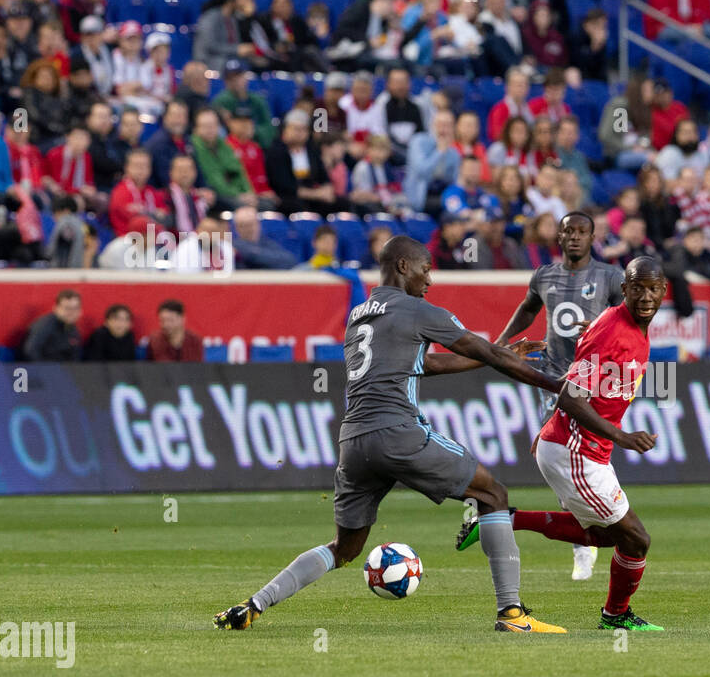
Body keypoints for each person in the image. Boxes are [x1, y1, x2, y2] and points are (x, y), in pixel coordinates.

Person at [215, 235, 604, 635]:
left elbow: (426, 364)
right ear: (403, 266)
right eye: (426, 268)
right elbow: (488, 355)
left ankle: (254, 604)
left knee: (345, 548)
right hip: (398, 431)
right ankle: (512, 614)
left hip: (353, 442)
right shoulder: (417, 310)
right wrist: (555, 384)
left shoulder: (360, 314)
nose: (429, 278)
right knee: (493, 496)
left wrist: (499, 349)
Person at [456, 256, 665, 632]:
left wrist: (592, 335)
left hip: (583, 449)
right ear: (625, 290)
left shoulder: (624, 326)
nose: (646, 296)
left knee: (603, 536)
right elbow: (569, 398)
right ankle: (615, 616)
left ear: (664, 292)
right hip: (575, 451)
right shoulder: (613, 330)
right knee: (636, 539)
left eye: (653, 288)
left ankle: (501, 518)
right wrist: (623, 437)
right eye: (638, 288)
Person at [471, 212, 625, 581]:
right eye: (568, 231)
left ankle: (599, 520)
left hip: (596, 379)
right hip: (555, 379)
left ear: (592, 237)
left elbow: (631, 316)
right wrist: (500, 345)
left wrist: (605, 324)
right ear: (559, 236)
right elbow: (528, 309)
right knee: (559, 457)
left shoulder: (610, 276)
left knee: (592, 453)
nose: (574, 237)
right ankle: (583, 543)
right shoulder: (544, 276)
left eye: (582, 232)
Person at [23, 289, 83, 362]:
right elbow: (30, 351)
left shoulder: (72, 328)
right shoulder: (45, 325)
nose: (71, 313)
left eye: (75, 308)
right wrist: (47, 370)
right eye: (67, 308)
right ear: (56, 308)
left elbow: (75, 356)